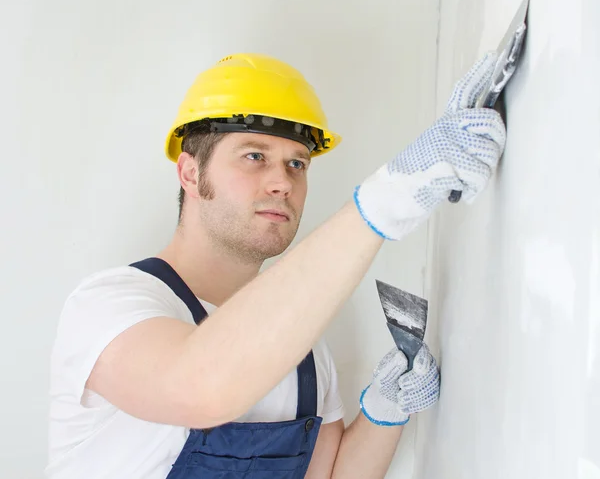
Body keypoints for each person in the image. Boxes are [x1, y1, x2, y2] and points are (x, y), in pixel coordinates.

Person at [46, 52, 506, 479]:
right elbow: (199, 386)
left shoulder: (300, 349)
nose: (282, 182)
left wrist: (385, 410)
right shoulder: (110, 306)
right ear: (190, 172)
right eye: (254, 156)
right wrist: (386, 202)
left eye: (297, 164)